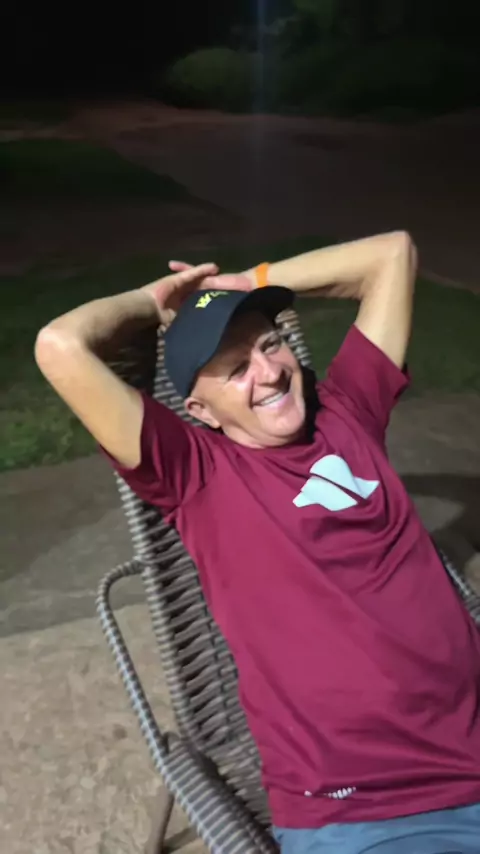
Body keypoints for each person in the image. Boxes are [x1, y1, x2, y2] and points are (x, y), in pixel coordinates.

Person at [35, 233, 480, 854]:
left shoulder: (349, 412)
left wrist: (247, 282)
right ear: (201, 410)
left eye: (270, 344)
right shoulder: (196, 475)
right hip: (371, 810)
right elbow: (60, 346)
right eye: (236, 369)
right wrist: (150, 301)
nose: (269, 372)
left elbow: (393, 255)